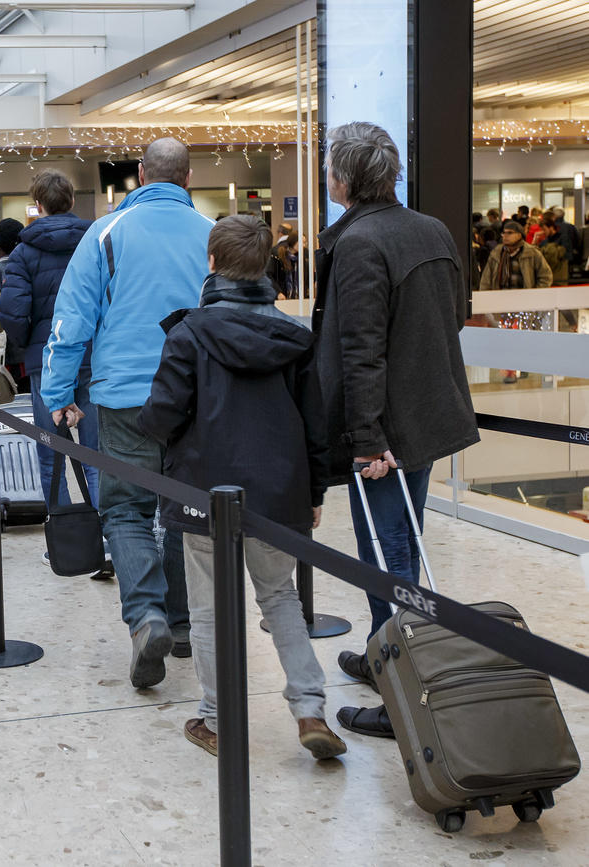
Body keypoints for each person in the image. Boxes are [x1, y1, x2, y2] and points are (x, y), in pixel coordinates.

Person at [137, 214, 346, 760]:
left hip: (203, 493)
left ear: (211, 264)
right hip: (279, 495)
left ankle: (217, 718)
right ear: (266, 267)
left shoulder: (188, 333)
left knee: (207, 611)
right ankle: (309, 710)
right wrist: (316, 493)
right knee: (280, 598)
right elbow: (315, 426)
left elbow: (161, 414)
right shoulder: (297, 339)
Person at [311, 122, 478, 740]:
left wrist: (366, 437)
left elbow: (360, 350)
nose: (328, 177)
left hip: (383, 428)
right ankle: (388, 659)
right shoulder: (430, 230)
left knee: (388, 555)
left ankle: (403, 693)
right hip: (426, 415)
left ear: (348, 179)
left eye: (331, 167)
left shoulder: (360, 244)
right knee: (402, 541)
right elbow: (455, 314)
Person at [41, 138, 204, 689]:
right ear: (188, 177)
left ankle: (147, 617)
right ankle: (180, 626)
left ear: (139, 174)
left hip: (124, 396)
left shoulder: (107, 232)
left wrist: (59, 391)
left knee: (126, 509)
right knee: (184, 507)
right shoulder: (211, 235)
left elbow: (72, 320)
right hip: (196, 398)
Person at [0, 169, 99, 511]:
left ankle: (65, 534)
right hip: (93, 355)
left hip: (47, 360)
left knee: (50, 452)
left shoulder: (24, 253)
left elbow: (12, 311)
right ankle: (107, 536)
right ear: (71, 200)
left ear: (37, 205)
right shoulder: (96, 241)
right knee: (95, 455)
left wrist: (28, 345)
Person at [478, 221, 552, 291]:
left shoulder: (532, 253)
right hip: (501, 299)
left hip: (525, 300)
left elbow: (545, 277)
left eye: (510, 233)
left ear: (519, 235)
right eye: (504, 233)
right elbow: (486, 280)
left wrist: (534, 295)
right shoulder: (496, 253)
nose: (505, 236)